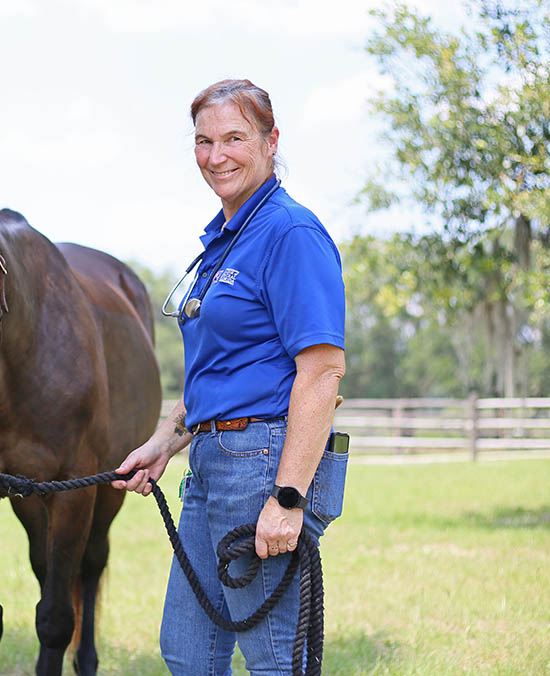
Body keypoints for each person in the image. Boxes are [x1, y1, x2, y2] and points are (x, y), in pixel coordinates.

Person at [112, 79, 347, 676]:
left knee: (274, 661)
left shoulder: (290, 233)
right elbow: (218, 369)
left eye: (234, 138)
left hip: (263, 464)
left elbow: (321, 372)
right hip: (211, 464)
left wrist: (288, 499)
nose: (217, 156)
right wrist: (164, 444)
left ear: (271, 141)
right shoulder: (224, 240)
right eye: (204, 141)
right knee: (188, 652)